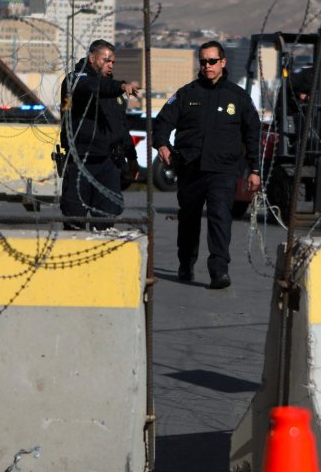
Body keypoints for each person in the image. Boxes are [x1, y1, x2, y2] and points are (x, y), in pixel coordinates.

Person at [153, 41, 262, 289]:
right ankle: (186, 263)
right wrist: (162, 144)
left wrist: (255, 170)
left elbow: (253, 133)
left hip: (222, 170)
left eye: (212, 61)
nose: (207, 66)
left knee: (220, 217)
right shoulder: (186, 94)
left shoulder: (238, 97)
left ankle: (219, 270)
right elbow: (162, 121)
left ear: (222, 62)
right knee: (189, 219)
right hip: (191, 168)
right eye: (203, 61)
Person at [59, 40, 140, 230]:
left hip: (108, 162)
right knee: (75, 219)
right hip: (81, 161)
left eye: (113, 62)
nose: (111, 65)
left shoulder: (112, 91)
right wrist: (119, 86)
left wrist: (132, 157)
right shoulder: (76, 80)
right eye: (107, 60)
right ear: (92, 59)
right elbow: (91, 87)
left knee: (106, 218)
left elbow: (120, 127)